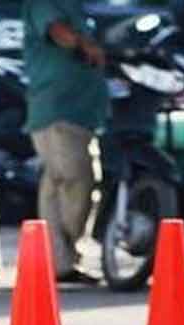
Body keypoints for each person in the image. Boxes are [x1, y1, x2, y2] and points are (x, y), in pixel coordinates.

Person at [23, 0, 109, 284]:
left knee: (62, 182)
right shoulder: (45, 4)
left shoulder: (76, 7)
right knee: (75, 178)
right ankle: (60, 259)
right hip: (58, 112)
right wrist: (87, 46)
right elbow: (60, 33)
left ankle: (60, 260)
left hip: (80, 113)